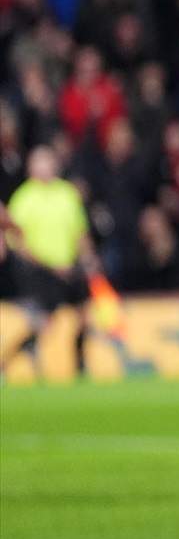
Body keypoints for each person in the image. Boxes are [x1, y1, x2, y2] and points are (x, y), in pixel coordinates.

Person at [2, 145, 98, 377]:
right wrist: (45, 264)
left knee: (85, 315)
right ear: (31, 167)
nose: (44, 167)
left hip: (70, 266)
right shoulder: (24, 198)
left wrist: (87, 258)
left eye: (48, 161)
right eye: (39, 162)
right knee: (45, 322)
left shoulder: (67, 193)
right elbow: (16, 240)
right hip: (42, 270)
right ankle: (7, 361)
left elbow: (80, 231)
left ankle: (80, 366)